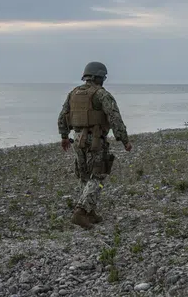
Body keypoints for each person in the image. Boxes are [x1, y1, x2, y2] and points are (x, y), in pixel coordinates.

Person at [57, 61, 132, 229]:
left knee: (84, 175)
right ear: (100, 77)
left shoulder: (73, 93)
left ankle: (90, 211)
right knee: (97, 176)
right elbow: (114, 118)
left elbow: (63, 117)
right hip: (95, 140)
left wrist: (63, 136)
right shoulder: (102, 95)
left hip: (77, 140)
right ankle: (81, 212)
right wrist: (124, 140)